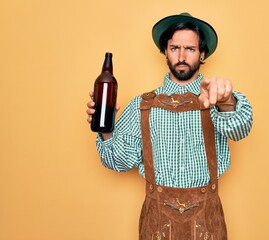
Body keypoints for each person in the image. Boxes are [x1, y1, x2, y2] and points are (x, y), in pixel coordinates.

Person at [86, 12, 253, 240]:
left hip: (207, 222)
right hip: (157, 223)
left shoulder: (216, 97)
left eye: (191, 49)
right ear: (165, 51)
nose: (182, 56)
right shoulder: (142, 105)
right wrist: (106, 130)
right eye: (175, 48)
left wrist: (227, 101)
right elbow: (119, 161)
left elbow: (240, 128)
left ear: (202, 54)